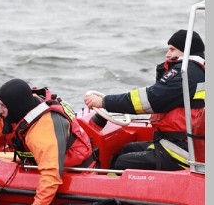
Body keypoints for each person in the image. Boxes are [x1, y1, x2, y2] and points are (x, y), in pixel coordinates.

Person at [0, 78, 95, 205]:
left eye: (2, 105)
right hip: (37, 164)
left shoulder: (43, 130)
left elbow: (52, 173)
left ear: (15, 106)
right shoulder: (14, 114)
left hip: (76, 171)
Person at [84, 30, 205, 170]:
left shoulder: (185, 72)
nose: (167, 54)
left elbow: (151, 99)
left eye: (172, 49)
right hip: (185, 143)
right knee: (125, 150)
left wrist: (104, 102)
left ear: (187, 51)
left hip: (182, 150)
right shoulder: (199, 70)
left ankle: (106, 190)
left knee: (121, 163)